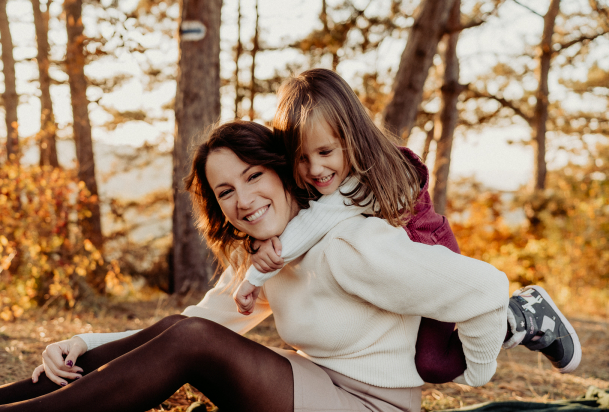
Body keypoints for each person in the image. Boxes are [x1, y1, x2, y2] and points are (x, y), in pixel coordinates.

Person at [0, 121, 548, 412]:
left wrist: (479, 367)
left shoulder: (351, 244)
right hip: (324, 393)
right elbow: (193, 324)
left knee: (193, 342)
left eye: (254, 176)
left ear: (287, 174)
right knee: (187, 330)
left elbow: (483, 285)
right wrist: (87, 343)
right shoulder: (269, 258)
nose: (244, 199)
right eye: (226, 192)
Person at [232, 68, 580, 382]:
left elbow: (318, 220)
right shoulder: (329, 182)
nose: (315, 170)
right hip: (394, 274)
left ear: (351, 138)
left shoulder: (366, 178)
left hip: (427, 252)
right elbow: (307, 218)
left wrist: (256, 276)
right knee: (424, 361)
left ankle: (521, 315)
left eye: (326, 152)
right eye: (302, 158)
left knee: (433, 363)